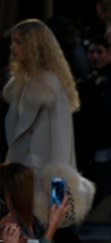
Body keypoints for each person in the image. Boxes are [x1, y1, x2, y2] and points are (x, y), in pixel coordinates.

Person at [3, 19, 81, 221]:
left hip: (38, 185)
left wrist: (56, 198)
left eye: (18, 41)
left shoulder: (49, 87)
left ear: (34, 45)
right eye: (12, 41)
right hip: (20, 182)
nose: (12, 47)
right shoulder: (22, 84)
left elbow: (61, 148)